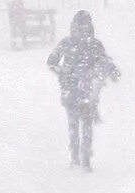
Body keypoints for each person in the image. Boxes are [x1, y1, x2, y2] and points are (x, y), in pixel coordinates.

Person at [46, 10, 120, 170]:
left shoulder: (72, 44)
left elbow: (51, 62)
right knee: (84, 124)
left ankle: (78, 157)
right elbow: (103, 62)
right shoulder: (91, 44)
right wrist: (110, 71)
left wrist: (63, 73)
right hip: (83, 90)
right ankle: (82, 158)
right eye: (80, 27)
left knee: (76, 124)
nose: (82, 31)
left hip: (75, 89)